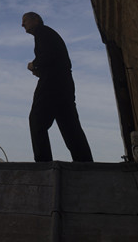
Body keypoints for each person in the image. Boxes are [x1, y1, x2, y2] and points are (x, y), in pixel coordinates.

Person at [21, 11, 93, 162]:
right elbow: (55, 59)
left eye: (25, 21)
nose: (23, 25)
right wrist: (40, 70)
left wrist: (34, 64)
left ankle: (43, 162)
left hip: (51, 84)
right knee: (69, 124)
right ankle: (84, 161)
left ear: (35, 20)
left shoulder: (43, 32)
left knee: (37, 121)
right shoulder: (47, 34)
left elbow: (47, 56)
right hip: (64, 83)